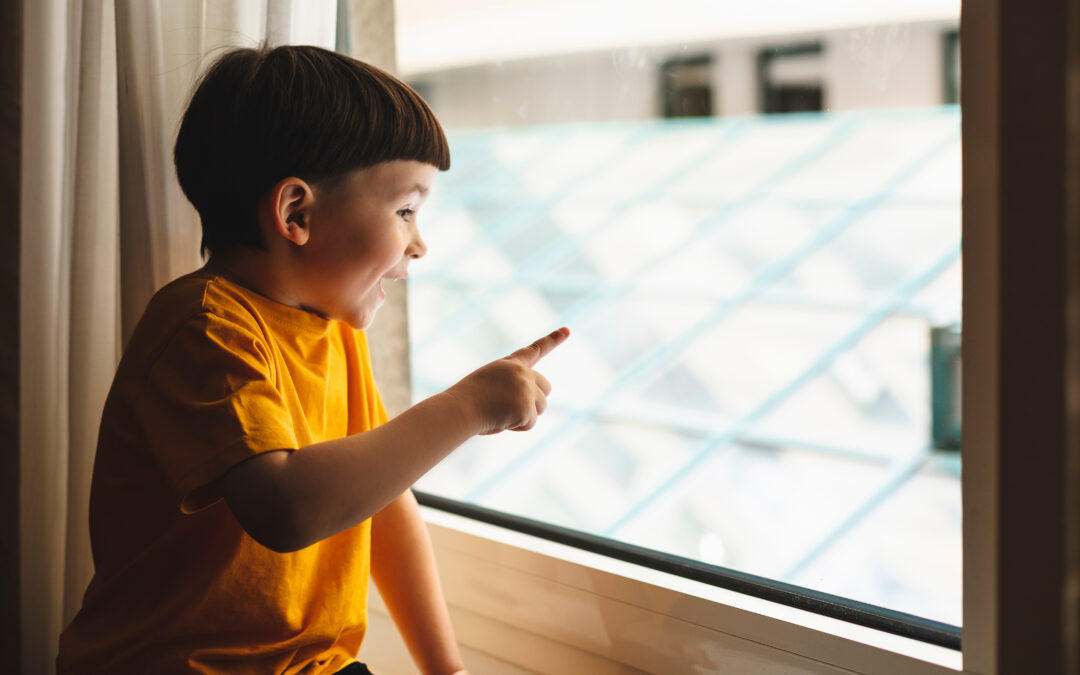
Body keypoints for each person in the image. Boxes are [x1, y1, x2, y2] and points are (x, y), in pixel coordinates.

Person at [56, 44, 569, 674]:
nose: (420, 242)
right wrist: (466, 408)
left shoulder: (334, 332)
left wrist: (447, 669)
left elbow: (384, 508)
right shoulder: (204, 328)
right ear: (296, 213)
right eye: (405, 209)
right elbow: (286, 508)